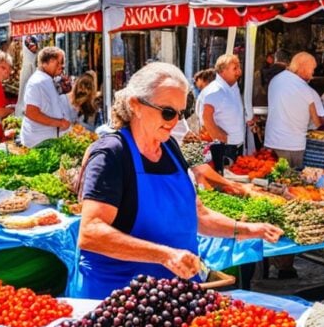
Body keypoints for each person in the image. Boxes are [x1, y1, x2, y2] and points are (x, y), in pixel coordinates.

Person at [76, 62, 283, 299]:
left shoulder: (171, 148)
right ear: (136, 105)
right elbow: (90, 232)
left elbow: (198, 215)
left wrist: (247, 229)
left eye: (181, 113)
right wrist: (164, 255)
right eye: (167, 112)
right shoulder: (112, 154)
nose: (175, 121)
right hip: (121, 299)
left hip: (175, 294)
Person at [263, 51, 324, 170]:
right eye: (312, 69)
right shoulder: (307, 90)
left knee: (273, 182)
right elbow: (317, 123)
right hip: (294, 145)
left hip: (272, 141)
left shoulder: (275, 80)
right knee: (293, 181)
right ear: (302, 67)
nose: (313, 74)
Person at [201, 54, 253, 173]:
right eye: (235, 68)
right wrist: (219, 137)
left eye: (239, 68)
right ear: (223, 70)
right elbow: (206, 118)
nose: (239, 72)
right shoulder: (215, 91)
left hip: (236, 146)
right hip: (224, 148)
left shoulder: (233, 87)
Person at [21, 46, 71, 147]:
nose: (62, 66)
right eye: (59, 62)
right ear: (47, 62)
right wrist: (60, 123)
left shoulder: (47, 79)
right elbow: (31, 112)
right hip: (39, 143)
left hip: (47, 140)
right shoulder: (36, 82)